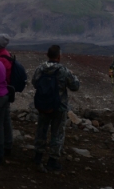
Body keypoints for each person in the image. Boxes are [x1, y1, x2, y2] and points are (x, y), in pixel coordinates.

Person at [32, 44, 80, 172]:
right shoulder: (63, 70)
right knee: (57, 132)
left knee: (41, 129)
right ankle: (52, 160)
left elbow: (35, 83)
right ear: (59, 57)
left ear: (47, 55)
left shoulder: (40, 68)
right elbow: (75, 86)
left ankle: (38, 156)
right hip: (59, 106)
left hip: (43, 104)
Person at [0, 33, 14, 156]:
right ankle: (6, 144)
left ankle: (4, 146)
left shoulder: (2, 59)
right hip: (6, 92)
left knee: (2, 120)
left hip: (1, 93)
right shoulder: (3, 56)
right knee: (4, 118)